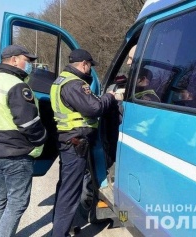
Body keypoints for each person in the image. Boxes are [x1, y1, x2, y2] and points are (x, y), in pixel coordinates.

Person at [0, 44, 47, 237]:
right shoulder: (17, 86)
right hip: (15, 154)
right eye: (28, 60)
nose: (31, 64)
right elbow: (29, 123)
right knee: (17, 203)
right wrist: (42, 139)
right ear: (14, 60)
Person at [49, 49, 117, 237]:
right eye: (89, 66)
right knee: (70, 192)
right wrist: (110, 97)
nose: (89, 70)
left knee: (65, 187)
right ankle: (60, 233)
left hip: (68, 140)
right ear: (84, 64)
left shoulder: (61, 80)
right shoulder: (74, 84)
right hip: (75, 143)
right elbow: (94, 108)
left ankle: (62, 228)